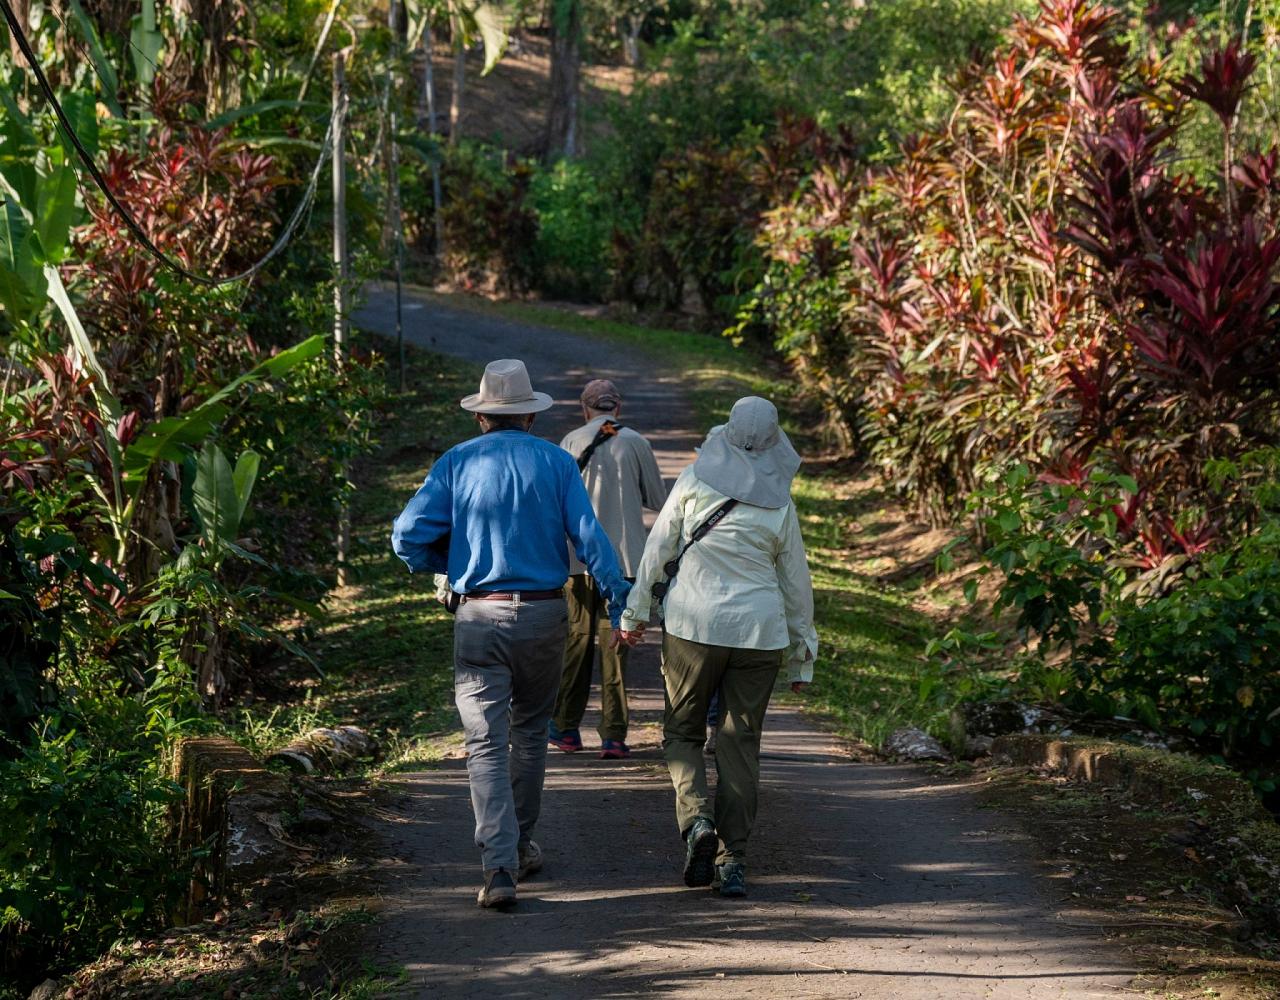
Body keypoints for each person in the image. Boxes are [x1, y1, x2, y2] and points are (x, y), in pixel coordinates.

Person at [391, 359, 631, 911]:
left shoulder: (455, 462)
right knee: (528, 733)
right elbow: (590, 538)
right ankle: (519, 845)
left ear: (481, 418)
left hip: (478, 616)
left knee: (484, 743)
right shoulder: (555, 462)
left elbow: (407, 536)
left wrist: (447, 565)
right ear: (528, 416)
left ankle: (498, 865)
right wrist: (619, 598)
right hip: (547, 616)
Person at [619, 396, 817, 899]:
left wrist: (634, 613)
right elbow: (796, 584)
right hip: (759, 635)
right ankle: (733, 861)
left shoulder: (692, 480)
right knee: (739, 744)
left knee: (682, 733)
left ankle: (697, 822)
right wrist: (802, 655)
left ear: (727, 431)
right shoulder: (781, 504)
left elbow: (658, 549)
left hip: (692, 626)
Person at [550, 378, 667, 760]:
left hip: (578, 561)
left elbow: (556, 502)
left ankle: (566, 729)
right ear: (617, 409)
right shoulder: (636, 442)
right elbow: (655, 499)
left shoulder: (570, 442)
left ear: (585, 408)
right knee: (617, 649)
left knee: (577, 644)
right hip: (625, 560)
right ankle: (614, 736)